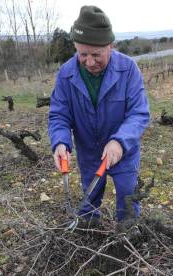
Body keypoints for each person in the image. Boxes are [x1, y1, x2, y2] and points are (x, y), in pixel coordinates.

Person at [48, 5, 150, 222]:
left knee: (128, 197)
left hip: (123, 151)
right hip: (89, 151)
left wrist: (119, 142)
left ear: (110, 46)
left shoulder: (128, 69)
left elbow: (138, 113)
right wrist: (60, 142)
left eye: (97, 54)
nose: (90, 62)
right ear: (75, 47)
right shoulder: (66, 73)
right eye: (82, 54)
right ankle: (89, 231)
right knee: (89, 199)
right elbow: (59, 115)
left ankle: (128, 233)